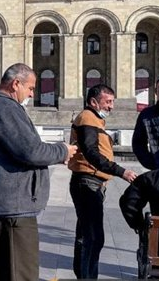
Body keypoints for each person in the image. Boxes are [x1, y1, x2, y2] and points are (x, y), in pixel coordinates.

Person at [0, 63, 76, 281]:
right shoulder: (4, 107)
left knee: (1, 272)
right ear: (15, 83)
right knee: (20, 273)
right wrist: (62, 150)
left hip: (4, 207)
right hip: (13, 210)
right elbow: (30, 150)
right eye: (30, 88)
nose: (31, 94)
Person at [68, 84, 137, 279]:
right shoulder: (88, 119)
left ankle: (83, 275)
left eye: (112, 102)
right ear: (93, 102)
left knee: (86, 233)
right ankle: (87, 277)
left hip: (90, 182)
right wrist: (120, 171)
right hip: (88, 182)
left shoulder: (93, 119)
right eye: (108, 102)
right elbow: (91, 152)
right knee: (94, 237)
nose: (111, 106)